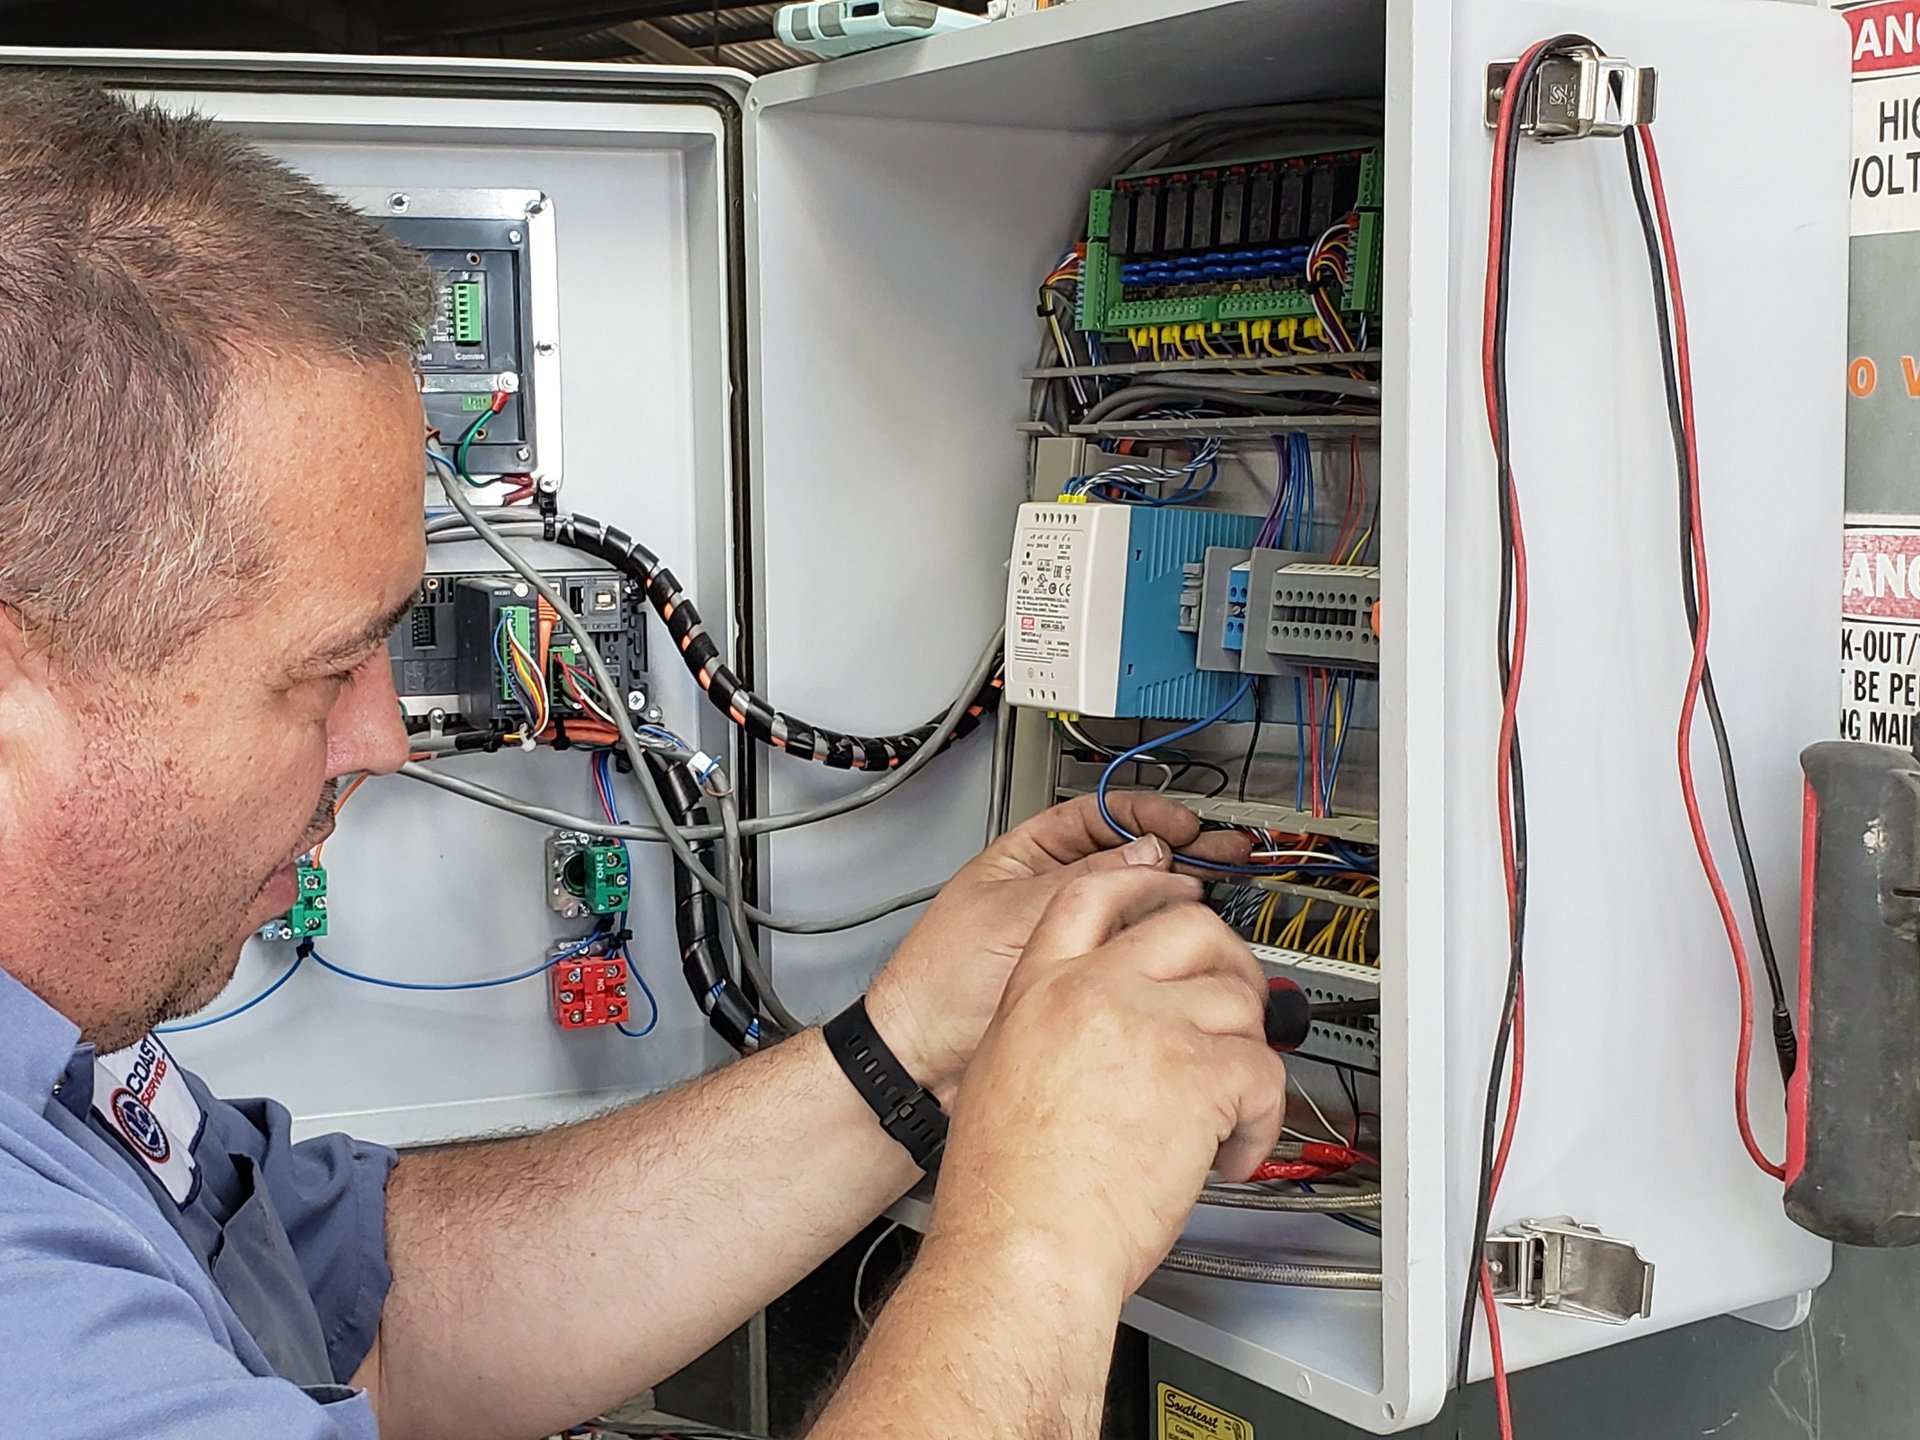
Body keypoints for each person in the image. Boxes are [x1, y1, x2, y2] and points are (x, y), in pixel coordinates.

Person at [0, 73, 1286, 1440]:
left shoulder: (63, 1072)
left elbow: (373, 1318)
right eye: (323, 671)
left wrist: (913, 1052)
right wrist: (1044, 1237)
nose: (380, 738)